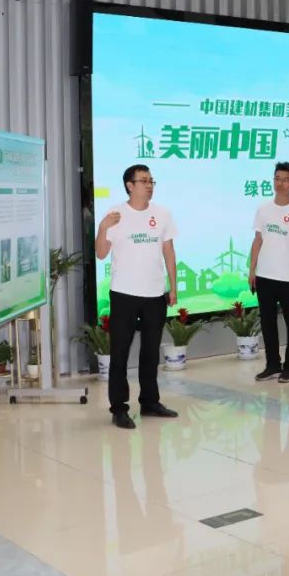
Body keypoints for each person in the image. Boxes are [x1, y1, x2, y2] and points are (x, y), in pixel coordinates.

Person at [96, 165, 179, 429]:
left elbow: (168, 251)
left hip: (155, 293)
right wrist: (102, 228)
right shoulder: (115, 214)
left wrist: (173, 286)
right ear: (129, 185)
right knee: (120, 352)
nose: (150, 185)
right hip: (124, 294)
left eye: (151, 181)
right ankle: (119, 408)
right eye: (144, 181)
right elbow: (100, 253)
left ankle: (150, 402)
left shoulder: (162, 214)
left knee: (151, 352)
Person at [249, 161, 289, 383]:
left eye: (285, 180)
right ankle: (272, 365)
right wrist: (252, 270)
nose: (280, 183)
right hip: (265, 276)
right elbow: (258, 240)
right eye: (277, 178)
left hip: (288, 277)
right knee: (267, 323)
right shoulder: (263, 209)